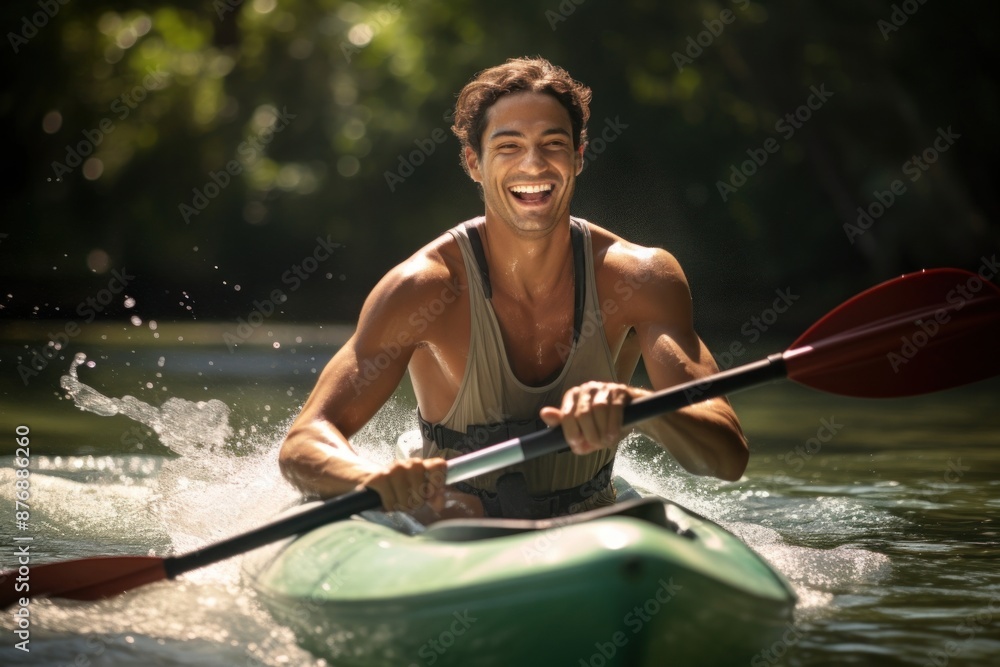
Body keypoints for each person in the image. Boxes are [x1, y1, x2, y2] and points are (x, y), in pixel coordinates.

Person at [278, 56, 748, 520]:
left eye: (553, 143)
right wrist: (365, 479)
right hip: (456, 525)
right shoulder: (420, 289)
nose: (533, 164)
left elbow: (727, 458)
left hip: (591, 524)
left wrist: (640, 407)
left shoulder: (643, 278)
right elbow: (305, 440)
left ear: (578, 157)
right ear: (473, 163)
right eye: (508, 146)